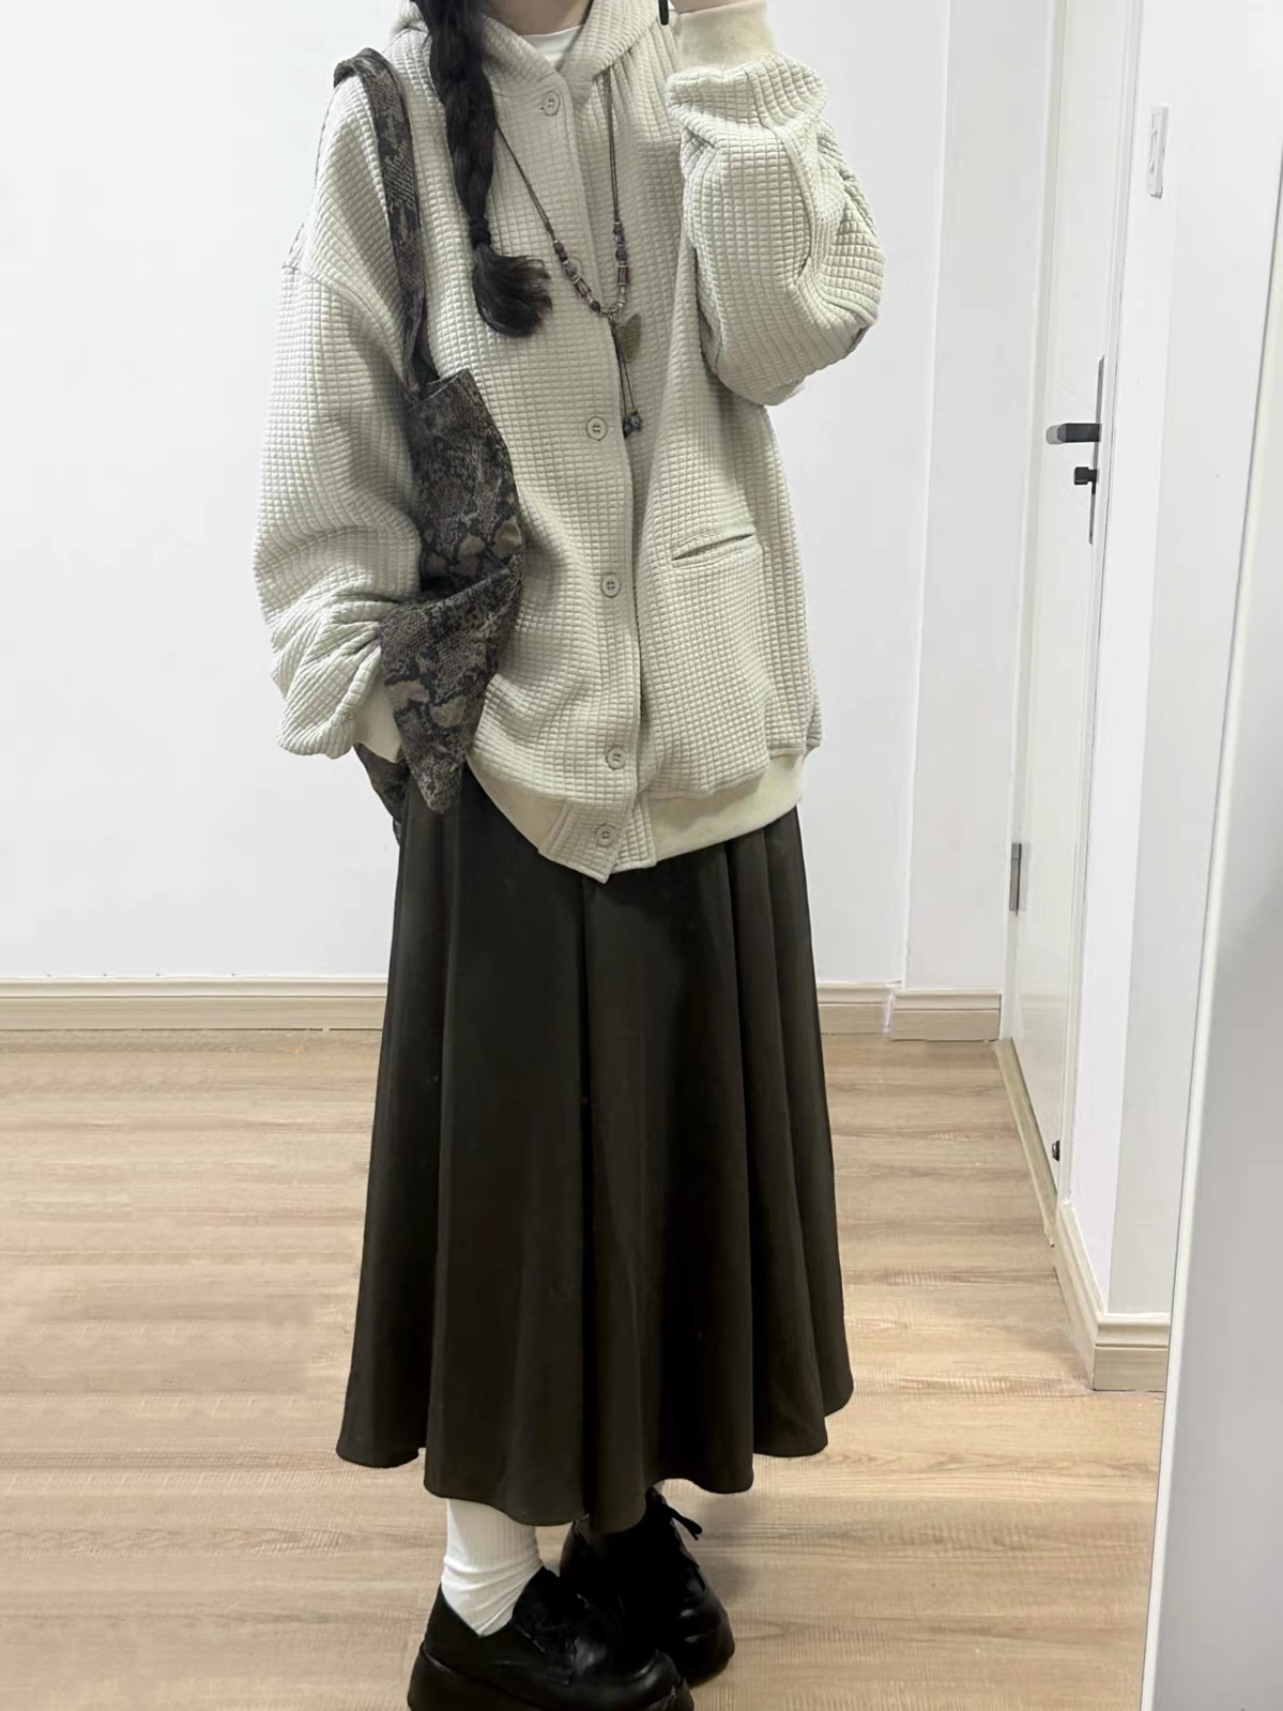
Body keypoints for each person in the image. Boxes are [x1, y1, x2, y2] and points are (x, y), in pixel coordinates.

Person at [252, 0, 883, 1706]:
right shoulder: (383, 117)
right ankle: (478, 1605)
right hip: (516, 774)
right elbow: (326, 463)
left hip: (715, 745)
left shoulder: (705, 78)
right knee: (515, 1198)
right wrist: (399, 726)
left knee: (668, 1172)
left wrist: (730, 35)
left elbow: (797, 326)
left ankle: (615, 1524)